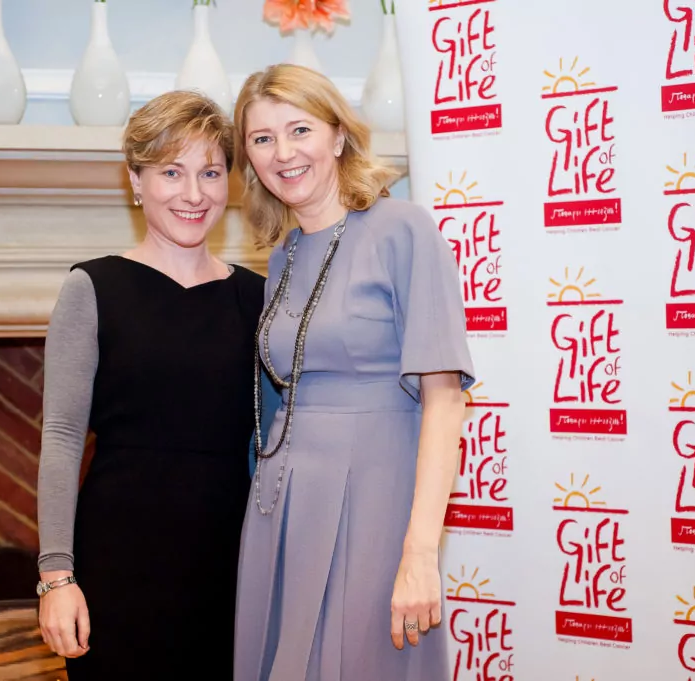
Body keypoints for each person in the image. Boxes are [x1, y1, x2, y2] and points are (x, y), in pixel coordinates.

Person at [232, 64, 476, 681]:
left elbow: (445, 400)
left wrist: (420, 552)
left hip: (373, 497)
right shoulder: (283, 255)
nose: (283, 152)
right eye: (262, 139)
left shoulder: (404, 229)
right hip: (282, 505)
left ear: (339, 135)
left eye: (300, 130)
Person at [35, 90, 266, 680]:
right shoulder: (92, 289)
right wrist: (57, 577)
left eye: (210, 173)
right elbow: (61, 438)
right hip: (118, 567)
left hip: (231, 566)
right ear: (136, 180)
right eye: (171, 172)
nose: (194, 194)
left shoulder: (257, 298)